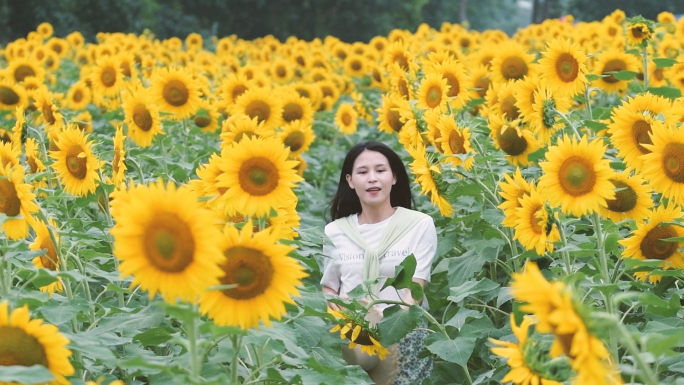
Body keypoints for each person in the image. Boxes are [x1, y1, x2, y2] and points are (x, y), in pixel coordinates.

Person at [320, 141, 437, 385]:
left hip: (404, 337)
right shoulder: (335, 231)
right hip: (353, 341)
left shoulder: (419, 224)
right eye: (363, 172)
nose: (372, 178)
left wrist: (385, 330)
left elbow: (416, 288)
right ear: (351, 181)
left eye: (380, 170)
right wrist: (349, 322)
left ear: (394, 177)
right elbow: (329, 287)